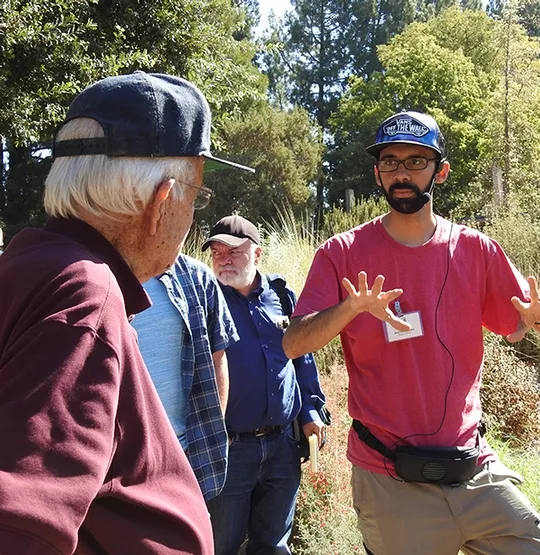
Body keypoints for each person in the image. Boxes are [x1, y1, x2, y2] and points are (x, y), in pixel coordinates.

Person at [283, 111, 540, 555]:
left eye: (417, 161)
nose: (402, 172)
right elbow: (293, 343)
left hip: (473, 468)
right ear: (377, 173)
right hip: (389, 477)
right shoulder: (341, 252)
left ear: (441, 171)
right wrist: (351, 306)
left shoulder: (477, 249)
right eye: (391, 161)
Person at [0, 71, 251, 554]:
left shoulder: (31, 263)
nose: (193, 214)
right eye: (196, 196)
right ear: (160, 203)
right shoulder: (85, 293)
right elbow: (21, 522)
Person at [203, 215, 327, 555]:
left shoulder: (282, 294)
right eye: (216, 252)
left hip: (283, 447)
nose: (223, 259)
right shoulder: (206, 301)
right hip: (230, 450)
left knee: (273, 545)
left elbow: (301, 356)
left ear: (257, 255)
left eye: (233, 251)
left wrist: (310, 412)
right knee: (219, 545)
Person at [131, 252, 239, 514]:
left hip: (187, 457)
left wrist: (217, 427)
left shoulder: (197, 277)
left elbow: (217, 358)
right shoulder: (99, 276)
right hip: (125, 463)